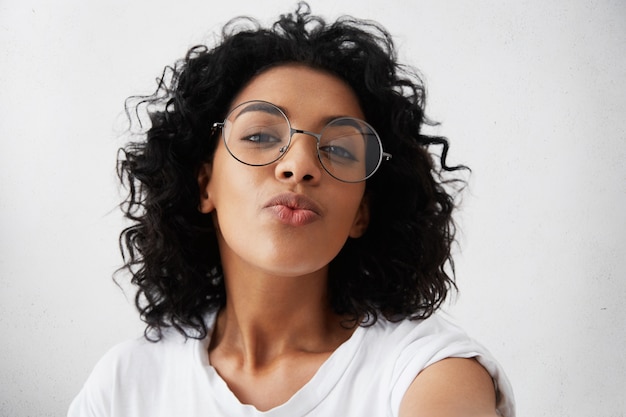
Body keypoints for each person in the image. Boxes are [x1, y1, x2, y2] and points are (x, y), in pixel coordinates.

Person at [68, 3, 515, 416]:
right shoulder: (124, 385)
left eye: (339, 149)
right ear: (204, 185)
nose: (299, 166)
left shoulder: (427, 374)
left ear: (362, 211)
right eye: (260, 136)